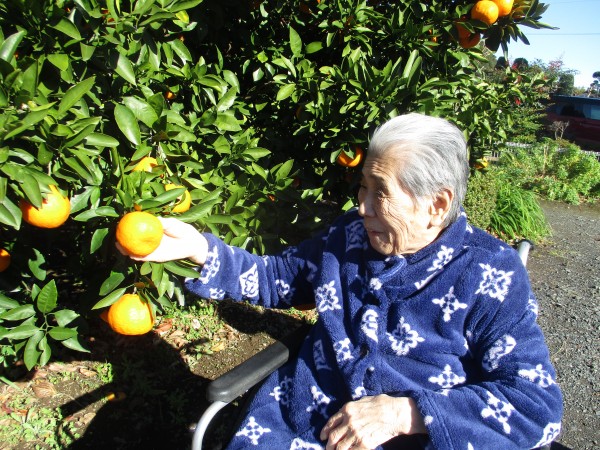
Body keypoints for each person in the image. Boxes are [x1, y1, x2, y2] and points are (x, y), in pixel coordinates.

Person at [118, 113, 563, 449]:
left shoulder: (489, 273)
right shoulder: (350, 234)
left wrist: (406, 413)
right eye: (363, 186)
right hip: (298, 420)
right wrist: (201, 250)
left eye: (380, 191)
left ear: (437, 205)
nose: (362, 206)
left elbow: (535, 407)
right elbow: (279, 278)